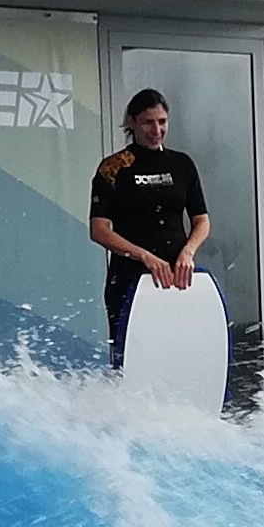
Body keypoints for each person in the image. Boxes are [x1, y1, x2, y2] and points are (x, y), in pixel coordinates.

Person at [88, 86, 211, 364]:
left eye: (162, 122)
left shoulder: (182, 164)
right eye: (148, 122)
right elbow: (99, 229)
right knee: (134, 359)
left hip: (177, 279)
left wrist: (188, 252)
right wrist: (144, 256)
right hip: (132, 278)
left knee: (180, 357)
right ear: (132, 122)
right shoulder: (113, 167)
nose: (156, 130)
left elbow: (201, 220)